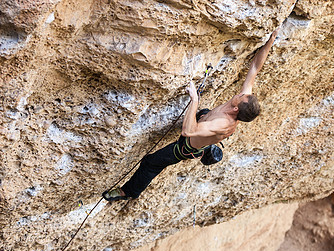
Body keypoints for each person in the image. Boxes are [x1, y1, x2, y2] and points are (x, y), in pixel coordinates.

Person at [102, 28, 280, 202]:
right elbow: (255, 68)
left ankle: (129, 192)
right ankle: (204, 130)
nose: (240, 94)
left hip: (186, 147)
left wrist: (194, 99)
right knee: (204, 114)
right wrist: (271, 40)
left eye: (241, 97)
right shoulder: (241, 104)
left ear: (236, 110)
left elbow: (188, 131)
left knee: (150, 162)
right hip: (204, 124)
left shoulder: (222, 124)